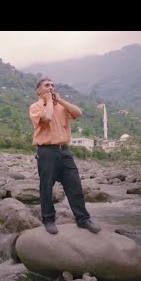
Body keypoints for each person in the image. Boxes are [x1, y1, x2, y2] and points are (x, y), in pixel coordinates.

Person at [29, 78, 101, 235]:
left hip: (64, 151)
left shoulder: (61, 106)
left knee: (75, 186)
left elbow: (78, 113)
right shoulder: (35, 107)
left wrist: (59, 100)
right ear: (38, 90)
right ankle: (48, 220)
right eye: (47, 85)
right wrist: (48, 101)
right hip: (46, 151)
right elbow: (46, 118)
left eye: (52, 85)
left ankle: (83, 219)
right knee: (46, 187)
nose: (51, 87)